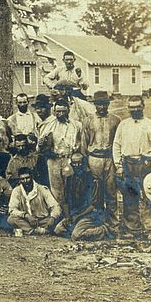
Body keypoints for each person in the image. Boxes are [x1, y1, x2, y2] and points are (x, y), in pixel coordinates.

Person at [37, 99, 84, 220]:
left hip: (69, 160)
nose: (61, 114)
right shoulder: (48, 125)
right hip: (53, 161)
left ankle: (72, 216)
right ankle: (58, 217)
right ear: (54, 111)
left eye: (63, 111)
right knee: (56, 190)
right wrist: (43, 145)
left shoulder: (77, 125)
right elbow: (39, 147)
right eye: (58, 111)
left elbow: (81, 144)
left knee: (70, 188)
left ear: (68, 110)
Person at [81, 91, 119, 229]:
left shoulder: (115, 120)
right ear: (94, 105)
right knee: (96, 193)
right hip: (94, 159)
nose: (101, 107)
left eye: (104, 104)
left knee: (111, 191)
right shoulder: (88, 120)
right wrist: (85, 163)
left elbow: (118, 142)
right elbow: (84, 143)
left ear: (108, 104)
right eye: (98, 104)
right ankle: (98, 222)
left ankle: (113, 224)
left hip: (110, 159)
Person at [55, 151, 109, 241]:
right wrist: (68, 216)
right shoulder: (69, 179)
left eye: (79, 163)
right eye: (74, 164)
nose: (77, 166)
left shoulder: (93, 180)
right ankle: (78, 229)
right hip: (75, 214)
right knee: (58, 230)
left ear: (84, 164)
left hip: (90, 215)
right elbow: (66, 201)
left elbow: (93, 205)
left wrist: (78, 216)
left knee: (75, 236)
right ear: (71, 165)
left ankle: (103, 230)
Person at [7, 166, 61, 235]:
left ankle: (30, 230)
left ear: (32, 177)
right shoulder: (16, 191)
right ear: (19, 180)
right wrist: (26, 216)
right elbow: (12, 209)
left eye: (27, 178)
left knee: (57, 219)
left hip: (42, 220)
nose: (25, 181)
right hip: (26, 221)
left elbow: (55, 206)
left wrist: (52, 217)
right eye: (22, 179)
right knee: (11, 219)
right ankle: (34, 231)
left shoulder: (42, 189)